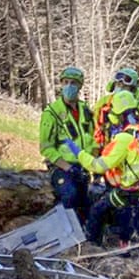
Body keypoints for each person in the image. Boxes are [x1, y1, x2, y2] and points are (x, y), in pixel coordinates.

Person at [76, 89, 139, 246]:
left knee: (96, 211)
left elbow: (99, 166)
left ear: (119, 114)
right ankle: (125, 240)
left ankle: (91, 247)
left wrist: (79, 154)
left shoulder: (125, 138)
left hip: (128, 192)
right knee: (120, 216)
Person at [39, 66, 97, 223]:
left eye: (73, 83)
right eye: (66, 82)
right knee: (69, 196)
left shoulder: (86, 111)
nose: (69, 86)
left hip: (83, 167)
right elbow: (46, 147)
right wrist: (67, 167)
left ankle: (84, 239)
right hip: (62, 168)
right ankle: (63, 233)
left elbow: (92, 139)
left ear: (80, 86)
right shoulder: (52, 113)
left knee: (84, 205)